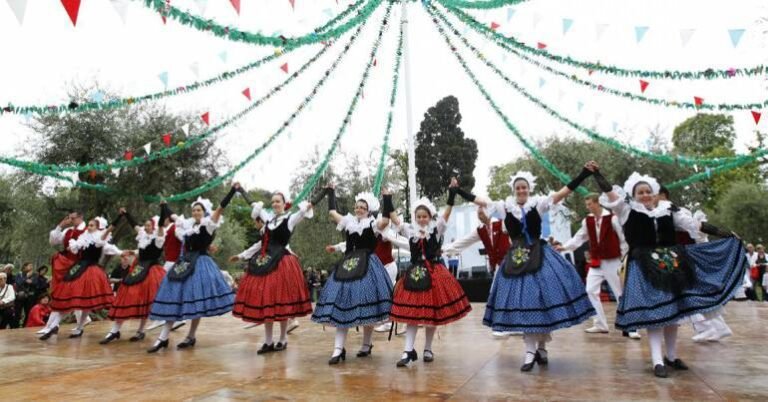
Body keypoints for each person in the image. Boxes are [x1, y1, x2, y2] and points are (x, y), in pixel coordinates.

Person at [593, 165, 745, 378]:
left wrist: (724, 233)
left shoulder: (668, 211)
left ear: (654, 194)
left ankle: (671, 357)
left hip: (672, 264)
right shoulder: (626, 210)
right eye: (640, 192)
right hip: (643, 265)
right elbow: (611, 193)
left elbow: (695, 224)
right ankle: (657, 360)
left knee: (673, 314)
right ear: (634, 195)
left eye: (648, 192)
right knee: (656, 313)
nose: (645, 195)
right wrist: (598, 174)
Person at [467, 169, 596, 372]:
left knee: (543, 302)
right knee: (526, 303)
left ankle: (542, 347)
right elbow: (478, 200)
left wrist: (583, 174)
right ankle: (529, 351)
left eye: (524, 187)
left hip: (540, 256)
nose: (521, 190)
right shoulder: (504, 207)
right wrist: (457, 191)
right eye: (518, 188)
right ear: (514, 190)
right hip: (517, 260)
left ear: (529, 189)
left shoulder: (539, 204)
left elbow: (563, 192)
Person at [390, 178, 472, 368]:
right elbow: (395, 220)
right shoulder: (410, 231)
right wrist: (387, 199)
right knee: (411, 314)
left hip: (434, 274)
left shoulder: (437, 229)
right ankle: (408, 350)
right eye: (418, 216)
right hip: (414, 276)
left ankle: (427, 348)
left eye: (424, 216)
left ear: (429, 216)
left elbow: (447, 213)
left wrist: (452, 193)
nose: (421, 219)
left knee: (431, 314)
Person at [146, 185, 239, 353]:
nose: (196, 212)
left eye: (199, 210)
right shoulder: (186, 225)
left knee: (197, 301)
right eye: (194, 210)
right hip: (184, 263)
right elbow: (172, 215)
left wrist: (232, 191)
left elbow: (220, 207)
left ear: (204, 212)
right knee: (174, 296)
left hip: (201, 264)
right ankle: (163, 337)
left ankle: (190, 336)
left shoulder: (209, 224)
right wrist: (164, 205)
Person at [312, 187, 395, 364]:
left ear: (368, 210)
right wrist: (331, 192)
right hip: (347, 266)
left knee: (367, 306)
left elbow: (386, 220)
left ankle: (366, 344)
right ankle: (337, 349)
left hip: (368, 266)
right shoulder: (348, 222)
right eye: (357, 206)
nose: (358, 209)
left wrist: (387, 198)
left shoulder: (373, 224)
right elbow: (332, 211)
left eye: (362, 207)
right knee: (342, 305)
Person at [230, 188, 317, 354]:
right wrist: (241, 189)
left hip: (282, 263)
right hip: (266, 261)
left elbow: (306, 209)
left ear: (284, 204)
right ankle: (268, 341)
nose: (275, 204)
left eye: (278, 201)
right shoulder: (268, 220)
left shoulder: (290, 219)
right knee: (266, 302)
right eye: (273, 202)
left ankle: (283, 339)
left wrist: (324, 192)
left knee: (281, 302)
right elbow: (254, 207)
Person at [558, 194, 641, 340]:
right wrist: (564, 247)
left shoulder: (612, 218)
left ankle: (631, 326)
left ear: (597, 203)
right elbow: (579, 237)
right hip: (597, 262)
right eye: (587, 204)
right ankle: (600, 324)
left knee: (620, 293)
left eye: (590, 204)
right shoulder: (588, 220)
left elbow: (623, 239)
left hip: (613, 260)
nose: (588, 206)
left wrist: (623, 258)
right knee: (590, 290)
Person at [443, 206, 518, 339]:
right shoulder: (481, 230)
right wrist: (444, 250)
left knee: (508, 294)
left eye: (482, 212)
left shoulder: (502, 224)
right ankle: (506, 325)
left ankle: (509, 325)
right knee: (500, 294)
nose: (480, 215)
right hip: (497, 267)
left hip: (511, 264)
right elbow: (464, 242)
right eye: (478, 213)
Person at [41, 216, 119, 340]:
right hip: (79, 268)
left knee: (85, 303)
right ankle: (53, 326)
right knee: (66, 296)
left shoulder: (100, 238)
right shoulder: (83, 238)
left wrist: (119, 216)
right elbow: (75, 248)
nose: (89, 226)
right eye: (88, 224)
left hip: (91, 271)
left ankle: (79, 327)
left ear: (98, 227)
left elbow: (110, 230)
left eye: (92, 225)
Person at [101, 209, 168, 345]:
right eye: (146, 225)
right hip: (139, 268)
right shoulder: (142, 235)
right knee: (125, 295)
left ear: (155, 227)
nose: (146, 227)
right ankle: (115, 330)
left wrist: (163, 209)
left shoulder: (159, 238)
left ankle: (140, 331)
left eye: (149, 225)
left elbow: (161, 226)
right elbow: (134, 224)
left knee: (147, 302)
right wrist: (125, 214)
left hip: (152, 271)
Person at [14, 262, 36, 328]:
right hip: (20, 296)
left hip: (29, 297)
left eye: (32, 266)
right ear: (24, 267)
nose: (31, 267)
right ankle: (15, 327)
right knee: (17, 313)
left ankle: (25, 326)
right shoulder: (19, 274)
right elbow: (18, 283)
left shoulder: (34, 275)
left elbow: (35, 283)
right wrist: (26, 277)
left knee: (28, 313)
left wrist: (29, 281)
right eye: (29, 266)